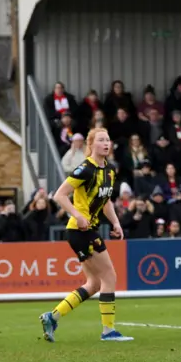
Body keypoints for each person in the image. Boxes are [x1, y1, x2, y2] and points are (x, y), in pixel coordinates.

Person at [39, 128, 132, 342]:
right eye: (101, 140)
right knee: (109, 277)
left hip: (88, 230)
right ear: (91, 144)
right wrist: (77, 215)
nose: (106, 143)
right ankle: (108, 332)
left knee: (94, 284)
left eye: (108, 139)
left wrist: (116, 222)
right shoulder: (85, 169)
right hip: (81, 230)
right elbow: (60, 195)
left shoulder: (109, 170)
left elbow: (106, 200)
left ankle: (52, 317)